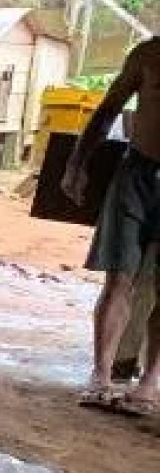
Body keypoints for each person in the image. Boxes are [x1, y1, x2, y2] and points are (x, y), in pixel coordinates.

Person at [61, 37, 160, 415]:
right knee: (118, 277)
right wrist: (76, 164)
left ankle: (150, 384)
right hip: (136, 173)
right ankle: (101, 376)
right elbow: (108, 110)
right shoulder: (148, 54)